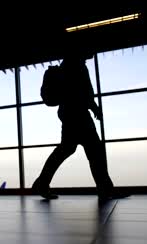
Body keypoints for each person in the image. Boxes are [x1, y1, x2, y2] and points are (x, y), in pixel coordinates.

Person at [32, 48, 130, 201]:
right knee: (93, 151)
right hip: (78, 114)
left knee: (67, 149)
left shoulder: (68, 65)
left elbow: (80, 91)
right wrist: (94, 107)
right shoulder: (77, 66)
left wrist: (92, 107)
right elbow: (84, 91)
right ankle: (105, 189)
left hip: (70, 113)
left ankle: (42, 182)